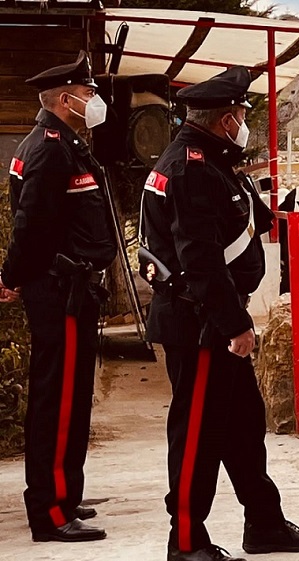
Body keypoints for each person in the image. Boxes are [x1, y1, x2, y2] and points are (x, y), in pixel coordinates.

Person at [138, 66, 299, 561]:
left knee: (244, 423)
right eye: (243, 113)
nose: (246, 120)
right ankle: (185, 541)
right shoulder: (191, 168)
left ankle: (264, 524)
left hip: (212, 317)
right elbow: (198, 259)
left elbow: (248, 221)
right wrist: (236, 325)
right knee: (197, 432)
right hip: (201, 322)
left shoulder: (212, 160)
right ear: (226, 119)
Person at [0, 51, 116, 542]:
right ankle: (48, 512)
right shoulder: (49, 149)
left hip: (74, 289)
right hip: (60, 291)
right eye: (88, 94)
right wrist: (12, 275)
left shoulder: (67, 143)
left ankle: (65, 494)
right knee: (58, 400)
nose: (95, 100)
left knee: (74, 398)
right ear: (66, 99)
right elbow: (30, 225)